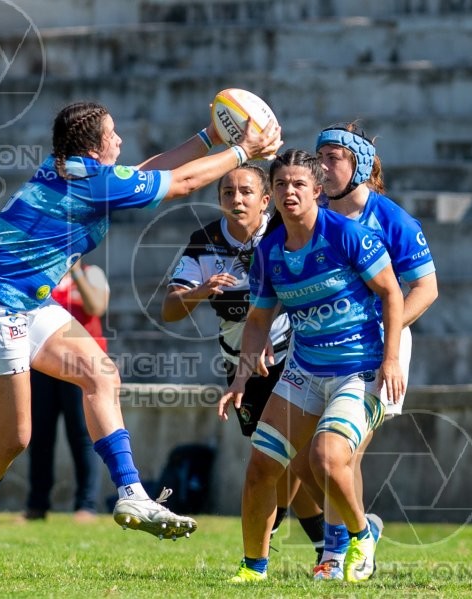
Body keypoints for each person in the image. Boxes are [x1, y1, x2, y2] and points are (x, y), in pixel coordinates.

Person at [0, 100, 282, 581]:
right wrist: (243, 149)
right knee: (14, 435)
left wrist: (209, 137)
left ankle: (131, 493)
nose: (119, 140)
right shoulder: (93, 182)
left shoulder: (71, 171)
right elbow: (180, 184)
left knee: (101, 374)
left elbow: (144, 172)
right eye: (113, 133)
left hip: (24, 301)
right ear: (95, 146)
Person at [218, 149, 405, 584]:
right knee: (262, 467)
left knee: (326, 457)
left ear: (318, 191)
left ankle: (361, 535)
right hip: (304, 371)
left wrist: (392, 360)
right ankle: (253, 569)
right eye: (281, 184)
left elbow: (392, 294)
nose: (289, 192)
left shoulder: (347, 234)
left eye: (299, 184)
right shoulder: (269, 250)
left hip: (358, 370)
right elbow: (259, 319)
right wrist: (242, 377)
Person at [160, 164, 325, 557]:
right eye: (228, 193)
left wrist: (266, 332)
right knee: (277, 460)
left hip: (293, 355)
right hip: (240, 366)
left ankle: (320, 535)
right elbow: (169, 309)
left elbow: (307, 284)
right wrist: (200, 291)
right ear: (219, 200)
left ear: (264, 200)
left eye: (246, 192)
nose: (237, 199)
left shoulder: (283, 233)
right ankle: (325, 536)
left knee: (294, 457)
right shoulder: (204, 243)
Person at [304, 122, 438, 579]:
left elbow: (426, 287)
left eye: (333, 158)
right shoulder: (313, 212)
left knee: (344, 454)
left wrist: (390, 338)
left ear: (358, 165)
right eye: (318, 156)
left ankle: (338, 552)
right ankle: (354, 540)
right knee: (330, 457)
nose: (321, 166)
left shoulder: (391, 218)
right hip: (321, 348)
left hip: (381, 349)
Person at [24, 258, 108, 522]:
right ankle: (37, 505)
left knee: (82, 435)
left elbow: (97, 307)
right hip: (44, 365)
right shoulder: (42, 276)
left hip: (81, 368)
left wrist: (76, 276)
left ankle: (87, 504)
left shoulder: (91, 273)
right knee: (40, 435)